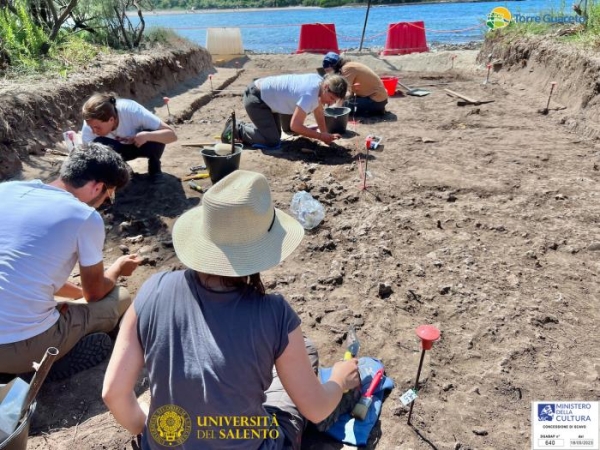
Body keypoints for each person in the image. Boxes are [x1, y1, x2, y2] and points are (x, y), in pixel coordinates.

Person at [103, 170, 360, 450]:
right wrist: (338, 380)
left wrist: (150, 433)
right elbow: (316, 409)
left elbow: (113, 393)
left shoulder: (154, 289)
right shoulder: (274, 314)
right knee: (305, 352)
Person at [0, 143, 142, 381]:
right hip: (17, 348)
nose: (104, 203)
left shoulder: (7, 190)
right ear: (96, 187)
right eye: (108, 197)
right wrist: (117, 269)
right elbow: (95, 294)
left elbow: (18, 270)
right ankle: (49, 363)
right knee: (121, 298)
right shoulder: (84, 216)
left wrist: (76, 293)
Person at [223, 73, 348, 149]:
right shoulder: (309, 94)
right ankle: (236, 129)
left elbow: (319, 111)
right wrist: (320, 136)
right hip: (257, 99)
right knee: (272, 142)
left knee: (281, 132)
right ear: (326, 87)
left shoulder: (319, 83)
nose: (331, 103)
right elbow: (295, 126)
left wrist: (325, 133)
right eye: (331, 98)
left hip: (269, 99)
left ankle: (251, 127)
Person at [81, 92, 177, 181]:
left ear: (111, 120)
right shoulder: (90, 125)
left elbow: (172, 135)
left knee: (155, 133)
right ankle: (124, 171)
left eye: (97, 127)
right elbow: (89, 158)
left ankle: (155, 167)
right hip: (117, 151)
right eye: (91, 127)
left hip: (140, 144)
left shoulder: (132, 111)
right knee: (96, 147)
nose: (93, 131)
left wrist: (146, 136)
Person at [322, 52, 388, 116]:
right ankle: (377, 109)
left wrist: (335, 108)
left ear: (334, 66)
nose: (329, 74)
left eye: (328, 71)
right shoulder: (349, 65)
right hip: (379, 99)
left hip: (375, 100)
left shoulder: (347, 69)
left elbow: (344, 93)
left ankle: (375, 109)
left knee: (344, 104)